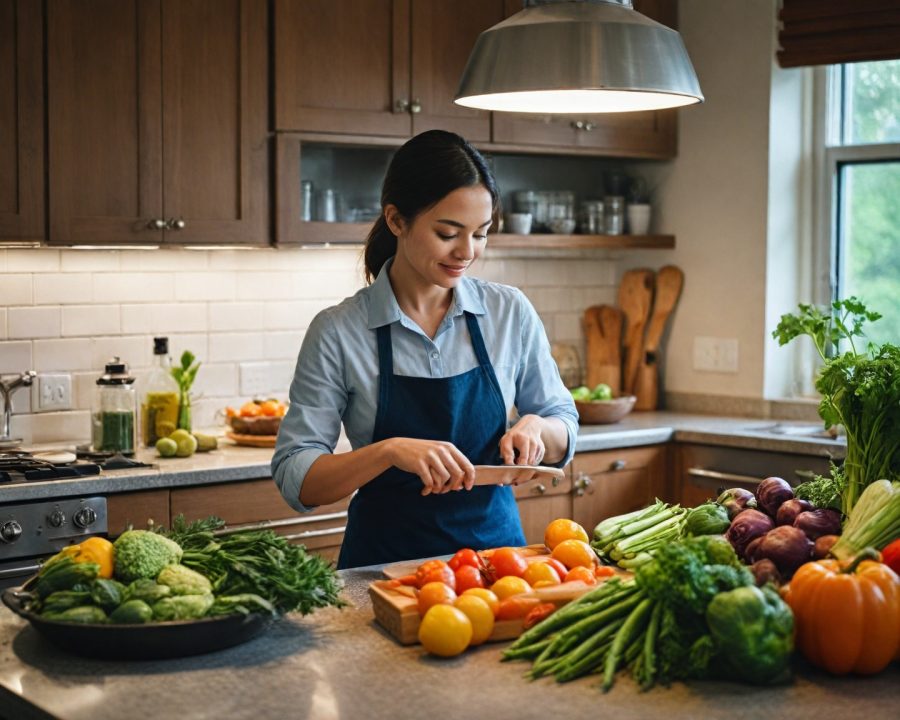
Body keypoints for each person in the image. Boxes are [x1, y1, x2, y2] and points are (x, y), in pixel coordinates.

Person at [272, 130, 578, 569]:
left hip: (498, 566)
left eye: (481, 233)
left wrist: (536, 427)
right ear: (396, 221)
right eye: (448, 233)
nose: (467, 252)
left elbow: (563, 425)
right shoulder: (338, 331)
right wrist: (388, 451)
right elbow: (296, 478)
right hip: (382, 572)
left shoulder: (509, 311)